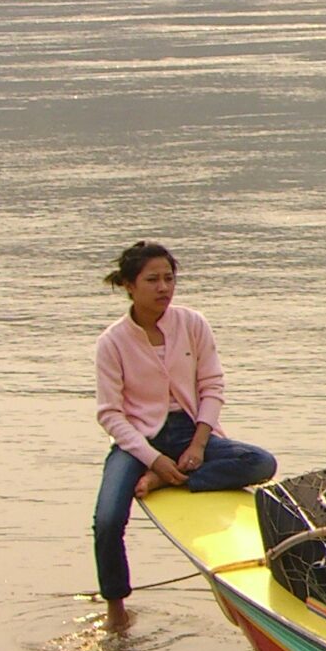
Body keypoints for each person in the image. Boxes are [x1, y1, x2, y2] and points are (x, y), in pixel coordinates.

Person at [93, 241, 276, 620]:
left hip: (192, 430)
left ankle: (173, 480)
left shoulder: (192, 324)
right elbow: (111, 415)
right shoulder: (112, 342)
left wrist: (198, 444)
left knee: (261, 463)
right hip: (138, 441)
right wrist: (154, 459)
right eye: (152, 280)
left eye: (169, 279)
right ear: (129, 284)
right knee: (108, 520)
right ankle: (116, 608)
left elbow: (212, 387)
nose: (163, 288)